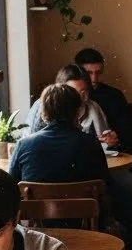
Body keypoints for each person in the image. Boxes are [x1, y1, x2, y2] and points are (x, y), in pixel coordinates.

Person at [8, 84, 113, 228]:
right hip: (84, 226)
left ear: (43, 113)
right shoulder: (91, 143)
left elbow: (10, 187)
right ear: (78, 112)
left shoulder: (24, 145)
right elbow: (104, 185)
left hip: (37, 229)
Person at [28, 65, 113, 144]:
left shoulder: (93, 107)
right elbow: (32, 141)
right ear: (60, 90)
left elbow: (103, 141)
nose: (81, 97)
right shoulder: (44, 106)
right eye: (74, 92)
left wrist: (110, 142)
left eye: (84, 91)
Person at [76, 47, 132, 153]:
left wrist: (116, 138)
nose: (94, 79)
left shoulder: (114, 95)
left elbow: (128, 131)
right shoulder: (69, 96)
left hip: (108, 153)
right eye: (89, 73)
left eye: (98, 72)